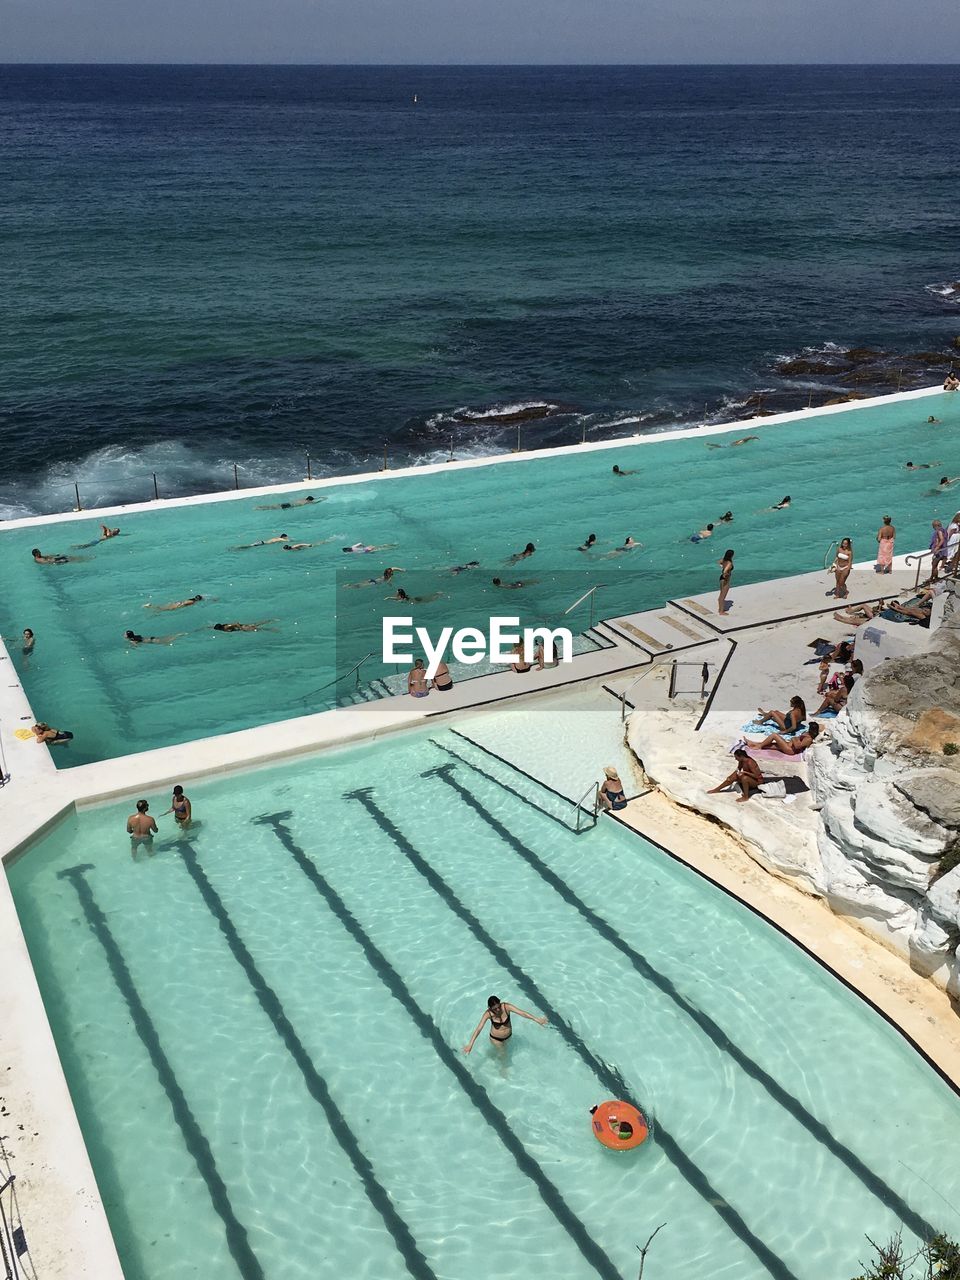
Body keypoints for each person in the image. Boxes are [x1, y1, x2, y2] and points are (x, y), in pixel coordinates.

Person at [462, 995, 547, 1053]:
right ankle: (503, 1069)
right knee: (503, 1054)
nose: (498, 1010)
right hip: (496, 1039)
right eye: (495, 1009)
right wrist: (470, 1044)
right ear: (490, 1008)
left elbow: (522, 1013)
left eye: (499, 1006)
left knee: (509, 1050)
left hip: (508, 1036)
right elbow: (479, 1029)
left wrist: (536, 1019)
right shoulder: (488, 1014)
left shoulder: (506, 1007)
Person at [753, 723, 821, 754]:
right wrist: (795, 739)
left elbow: (797, 746)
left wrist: (793, 739)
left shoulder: (809, 739)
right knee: (770, 745)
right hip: (789, 745)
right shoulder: (808, 733)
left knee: (774, 735)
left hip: (790, 750)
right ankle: (753, 744)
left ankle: (759, 746)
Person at [718, 549, 734, 614]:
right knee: (722, 596)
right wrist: (726, 574)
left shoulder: (723, 560)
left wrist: (722, 566)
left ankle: (720, 609)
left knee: (721, 595)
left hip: (721, 579)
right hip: (725, 580)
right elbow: (725, 571)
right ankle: (721, 611)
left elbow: (719, 562)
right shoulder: (729, 563)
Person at [255, 495, 322, 509]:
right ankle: (260, 509)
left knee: (272, 506)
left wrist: (318, 497)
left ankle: (260, 506)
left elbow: (311, 498)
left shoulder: (303, 499)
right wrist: (322, 499)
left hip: (288, 503)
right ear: (310, 500)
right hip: (289, 506)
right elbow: (315, 502)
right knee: (272, 508)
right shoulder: (307, 502)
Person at [212, 620, 278, 632]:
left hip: (243, 627)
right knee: (256, 624)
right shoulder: (223, 627)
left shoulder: (226, 627)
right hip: (242, 627)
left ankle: (272, 629)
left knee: (258, 629)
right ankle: (271, 620)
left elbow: (236, 623)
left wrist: (242, 629)